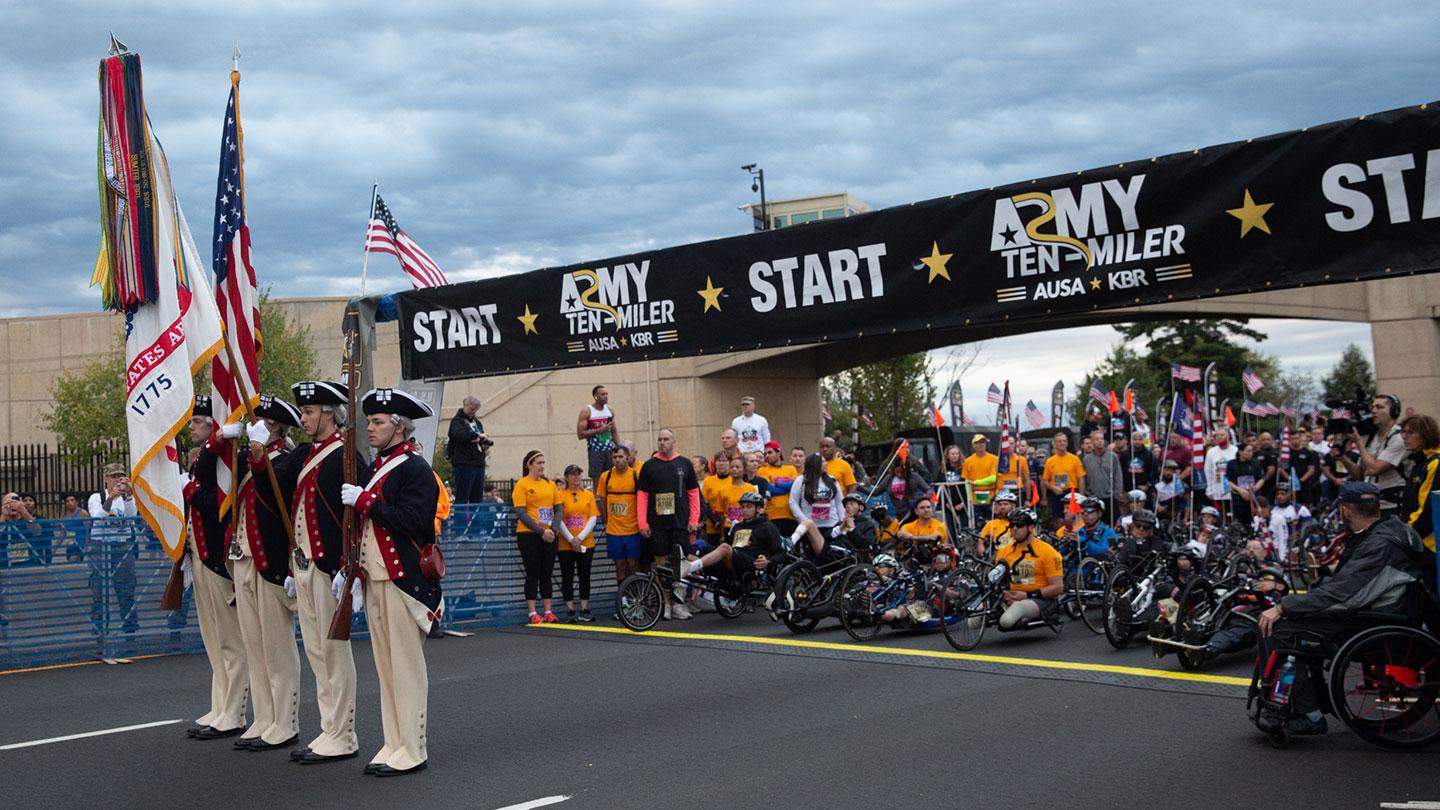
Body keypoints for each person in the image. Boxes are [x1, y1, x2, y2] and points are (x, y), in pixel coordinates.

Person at [1255, 481, 1426, 737]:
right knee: (1300, 616)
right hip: (1388, 611)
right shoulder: (1394, 529)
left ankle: (1305, 714)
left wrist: (1284, 606)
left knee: (1279, 628)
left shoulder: (1378, 545)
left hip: (1372, 622)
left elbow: (1343, 595)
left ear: (1346, 509)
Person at [254, 382, 364, 763]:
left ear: (330, 413)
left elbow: (355, 516)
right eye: (302, 412)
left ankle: (343, 732)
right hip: (303, 565)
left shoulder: (345, 456)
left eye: (310, 411)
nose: (303, 418)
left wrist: (348, 566)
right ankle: (328, 728)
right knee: (317, 651)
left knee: (333, 651)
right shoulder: (305, 454)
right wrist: (256, 454)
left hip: (328, 566)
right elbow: (275, 495)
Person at [339, 388, 442, 776]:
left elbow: (412, 522)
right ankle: (393, 742)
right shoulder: (376, 466)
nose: (371, 428)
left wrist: (366, 501)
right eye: (369, 421)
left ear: (399, 427)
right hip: (375, 579)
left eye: (378, 422)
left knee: (405, 669)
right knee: (384, 668)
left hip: (403, 582)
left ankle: (412, 748)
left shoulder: (415, 469)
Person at [215, 394, 306, 754]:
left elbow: (272, 490)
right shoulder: (247, 459)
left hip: (268, 561)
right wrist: (225, 439)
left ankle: (285, 721)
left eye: (265, 424)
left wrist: (257, 450)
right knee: (254, 644)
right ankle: (264, 717)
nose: (259, 428)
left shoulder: (282, 460)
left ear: (279, 428)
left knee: (276, 646)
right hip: (242, 557)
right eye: (257, 423)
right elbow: (214, 477)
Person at [179, 395, 247, 742]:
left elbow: (221, 508)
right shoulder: (203, 461)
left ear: (212, 425)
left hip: (218, 560)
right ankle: (220, 703)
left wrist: (190, 490)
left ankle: (234, 710)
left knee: (230, 641)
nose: (190, 427)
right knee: (213, 639)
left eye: (197, 421)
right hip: (201, 557)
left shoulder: (224, 461)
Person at [636, 428, 701, 620]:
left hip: (680, 522)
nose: (662, 442)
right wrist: (642, 522)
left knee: (679, 564)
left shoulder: (684, 464)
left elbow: (693, 493)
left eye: (666, 439)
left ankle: (679, 603)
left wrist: (693, 520)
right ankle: (665, 603)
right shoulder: (649, 466)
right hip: (657, 524)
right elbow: (642, 496)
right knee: (660, 564)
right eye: (660, 439)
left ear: (673, 441)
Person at [679, 491, 782, 583]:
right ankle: (681, 565)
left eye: (749, 507)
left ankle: (689, 568)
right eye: (743, 507)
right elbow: (729, 547)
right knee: (701, 544)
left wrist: (768, 562)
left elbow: (782, 554)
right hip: (732, 563)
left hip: (751, 566)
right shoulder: (737, 526)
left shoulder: (768, 527)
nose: (745, 510)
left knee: (724, 548)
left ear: (759, 509)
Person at [87, 463, 138, 635]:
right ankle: (100, 630)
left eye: (121, 476)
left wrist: (129, 496)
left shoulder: (127, 499)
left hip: (121, 545)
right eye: (114, 476)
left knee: (126, 589)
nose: (118, 480)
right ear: (106, 479)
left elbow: (131, 518)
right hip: (100, 546)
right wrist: (111, 499)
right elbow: (97, 517)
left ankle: (130, 630)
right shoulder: (97, 497)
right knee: (99, 590)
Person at [992, 509, 1064, 629]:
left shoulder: (1048, 552)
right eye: (1012, 525)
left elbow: (1058, 588)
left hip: (1040, 599)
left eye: (1019, 525)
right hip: (1011, 597)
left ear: (1031, 528)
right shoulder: (1004, 552)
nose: (1014, 528)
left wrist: (1026, 595)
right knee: (973, 621)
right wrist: (1003, 593)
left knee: (1006, 621)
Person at [513, 450, 562, 624]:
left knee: (546, 573)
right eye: (538, 463)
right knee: (533, 572)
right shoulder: (522, 485)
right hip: (529, 534)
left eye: (543, 462)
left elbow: (558, 508)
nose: (542, 466)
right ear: (529, 465)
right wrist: (540, 531)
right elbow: (521, 512)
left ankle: (548, 610)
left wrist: (553, 529)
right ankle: (532, 612)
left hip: (549, 534)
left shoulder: (550, 484)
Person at [1341, 395, 1407, 516]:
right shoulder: (1372, 437)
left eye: (1379, 407)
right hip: (1371, 504)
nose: (1373, 411)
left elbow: (1373, 469)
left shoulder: (1399, 438)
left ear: (1394, 412)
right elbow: (1360, 474)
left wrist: (1359, 443)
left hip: (1392, 507)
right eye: (1373, 407)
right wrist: (1342, 457)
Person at [1398, 414, 1440, 587]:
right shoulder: (1419, 463)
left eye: (1410, 432)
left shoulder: (1434, 463)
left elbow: (1427, 509)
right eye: (1403, 432)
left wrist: (1407, 534)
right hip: (1419, 544)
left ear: (1425, 434)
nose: (1404, 436)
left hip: (1429, 546)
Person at [556, 464, 599, 622]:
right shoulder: (560, 495)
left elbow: (593, 518)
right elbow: (558, 519)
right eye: (573, 475)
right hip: (565, 543)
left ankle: (584, 607)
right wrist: (570, 539)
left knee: (584, 575)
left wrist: (579, 538)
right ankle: (569, 609)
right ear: (566, 478)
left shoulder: (588, 495)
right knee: (567, 575)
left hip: (585, 542)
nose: (576, 477)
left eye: (578, 474)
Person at [596, 446, 642, 595]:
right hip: (614, 530)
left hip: (632, 529)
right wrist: (606, 520)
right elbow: (602, 501)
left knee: (632, 564)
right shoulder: (606, 476)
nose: (617, 460)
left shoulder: (635, 475)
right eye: (615, 457)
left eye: (621, 457)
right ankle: (623, 598)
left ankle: (634, 596)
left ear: (628, 458)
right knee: (619, 565)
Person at [788, 452, 843, 559]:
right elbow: (792, 502)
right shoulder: (801, 480)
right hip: (812, 526)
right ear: (814, 464)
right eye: (822, 462)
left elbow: (839, 502)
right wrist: (804, 520)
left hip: (831, 525)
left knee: (830, 556)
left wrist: (841, 521)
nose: (826, 464)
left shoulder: (832, 480)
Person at [446, 395, 489, 503]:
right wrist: (475, 436)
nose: (473, 411)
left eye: (475, 409)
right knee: (462, 496)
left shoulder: (477, 423)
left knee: (477, 497)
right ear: (465, 405)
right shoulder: (457, 421)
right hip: (463, 462)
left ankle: (476, 519)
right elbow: (458, 435)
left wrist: (484, 443)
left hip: (478, 462)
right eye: (471, 408)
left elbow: (481, 436)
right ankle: (460, 520)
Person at [1041, 432, 1086, 525]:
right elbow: (1045, 480)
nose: (1062, 443)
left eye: (1064, 441)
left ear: (1067, 443)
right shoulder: (1050, 461)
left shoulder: (1074, 459)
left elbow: (1081, 478)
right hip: (1057, 493)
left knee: (1073, 518)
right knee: (1059, 520)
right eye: (1059, 441)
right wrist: (1053, 488)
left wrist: (1081, 495)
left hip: (1072, 492)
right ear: (1055, 444)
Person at [756, 442, 799, 537]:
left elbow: (795, 487)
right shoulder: (762, 471)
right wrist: (787, 488)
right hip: (771, 516)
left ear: (779, 453)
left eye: (770, 452)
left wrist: (777, 483)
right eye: (765, 454)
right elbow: (770, 490)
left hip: (790, 515)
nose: (767, 456)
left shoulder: (791, 469)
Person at [578, 385, 619, 480]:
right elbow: (580, 434)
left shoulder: (610, 410)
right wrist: (600, 430)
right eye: (602, 394)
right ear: (596, 397)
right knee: (597, 479)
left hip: (609, 449)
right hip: (595, 450)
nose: (605, 396)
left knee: (611, 477)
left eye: (606, 394)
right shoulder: (587, 411)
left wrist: (619, 447)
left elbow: (614, 431)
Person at [880, 457, 931, 524]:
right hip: (896, 512)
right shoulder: (888, 479)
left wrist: (924, 498)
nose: (900, 474)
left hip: (912, 511)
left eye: (903, 472)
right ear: (894, 469)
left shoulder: (914, 477)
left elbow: (928, 489)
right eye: (898, 471)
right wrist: (861, 487)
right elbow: (876, 492)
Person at [1082, 430, 1122, 512]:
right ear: (1092, 441)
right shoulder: (1086, 459)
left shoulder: (1112, 456)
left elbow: (1118, 476)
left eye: (1101, 439)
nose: (1100, 441)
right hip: (1093, 498)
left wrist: (1116, 495)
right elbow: (1085, 479)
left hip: (1110, 498)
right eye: (1097, 439)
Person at [961, 435, 999, 522]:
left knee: (993, 522)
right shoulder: (968, 461)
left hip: (991, 497)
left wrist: (976, 482)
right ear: (973, 445)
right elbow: (966, 481)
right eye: (978, 442)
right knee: (977, 524)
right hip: (975, 499)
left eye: (983, 442)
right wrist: (969, 499)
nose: (981, 444)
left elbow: (993, 478)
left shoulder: (994, 459)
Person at [1226, 441, 1263, 528]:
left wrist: (1254, 489)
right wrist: (1240, 490)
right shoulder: (1232, 464)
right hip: (1238, 495)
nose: (1251, 453)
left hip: (1253, 494)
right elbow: (1229, 480)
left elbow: (1261, 478)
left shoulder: (1255, 463)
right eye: (1248, 451)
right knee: (1241, 519)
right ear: (1241, 452)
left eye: (1251, 451)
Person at [1203, 427, 1238, 517]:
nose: (1219, 437)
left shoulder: (1235, 450)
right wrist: (1209, 489)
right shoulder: (1211, 452)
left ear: (1228, 436)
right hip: (1217, 488)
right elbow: (1208, 471)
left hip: (1233, 489)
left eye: (1222, 435)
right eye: (1217, 435)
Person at [1288, 430, 1321, 507]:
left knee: (1304, 507)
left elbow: (1311, 470)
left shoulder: (1308, 453)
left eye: (1296, 438)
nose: (1294, 440)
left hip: (1304, 484)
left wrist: (1300, 481)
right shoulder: (1286, 453)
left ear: (1300, 439)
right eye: (1292, 439)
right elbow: (1281, 468)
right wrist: (1291, 479)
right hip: (1289, 483)